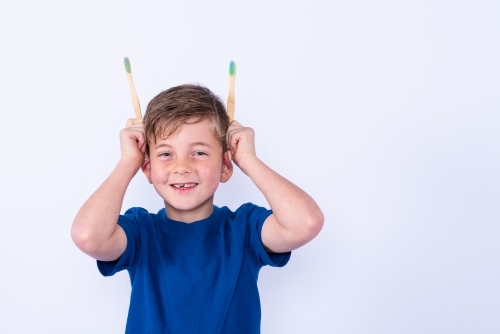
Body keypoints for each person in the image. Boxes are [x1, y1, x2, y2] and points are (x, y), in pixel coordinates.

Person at [71, 84, 324, 333]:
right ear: (147, 168)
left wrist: (248, 158)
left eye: (199, 152)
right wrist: (128, 161)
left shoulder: (245, 229)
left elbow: (305, 223)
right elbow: (88, 236)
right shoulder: (140, 231)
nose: (182, 167)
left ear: (225, 166)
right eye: (166, 154)